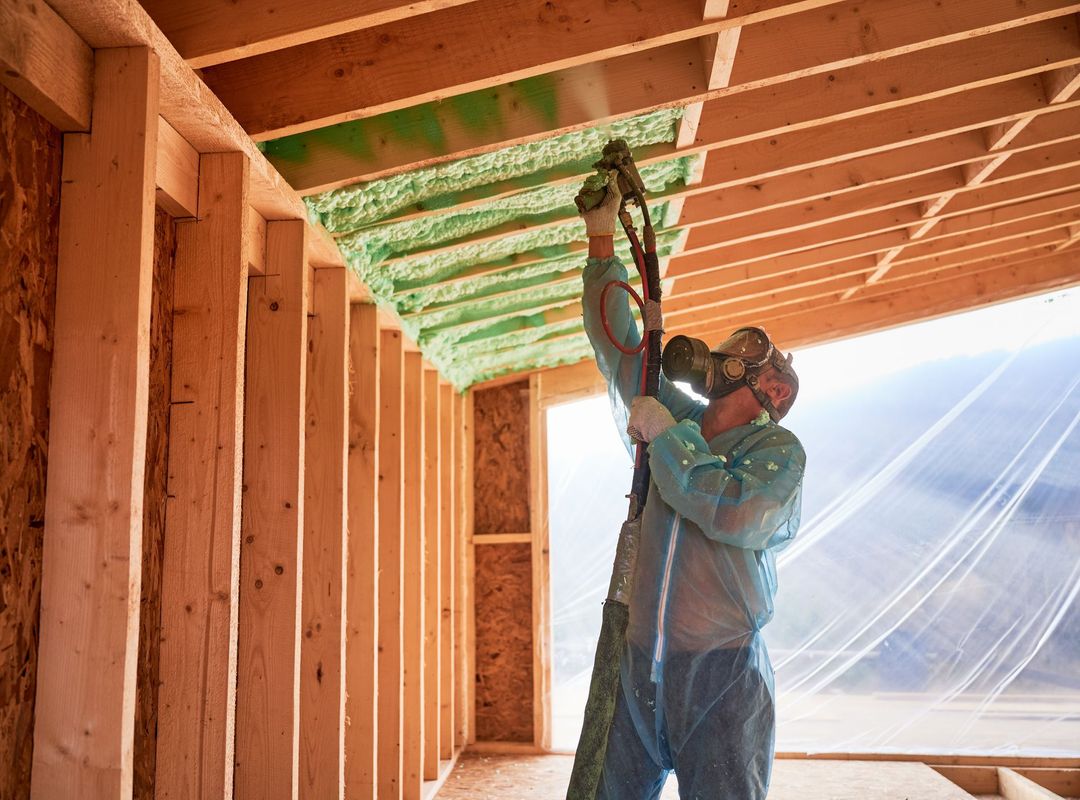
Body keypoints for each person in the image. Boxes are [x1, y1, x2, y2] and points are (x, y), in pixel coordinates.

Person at [578, 171, 806, 800]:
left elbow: (735, 509)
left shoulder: (776, 452)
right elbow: (627, 351)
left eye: (750, 351)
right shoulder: (674, 415)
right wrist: (603, 245)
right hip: (638, 663)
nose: (727, 354)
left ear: (775, 391)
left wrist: (669, 439)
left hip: (722, 675)